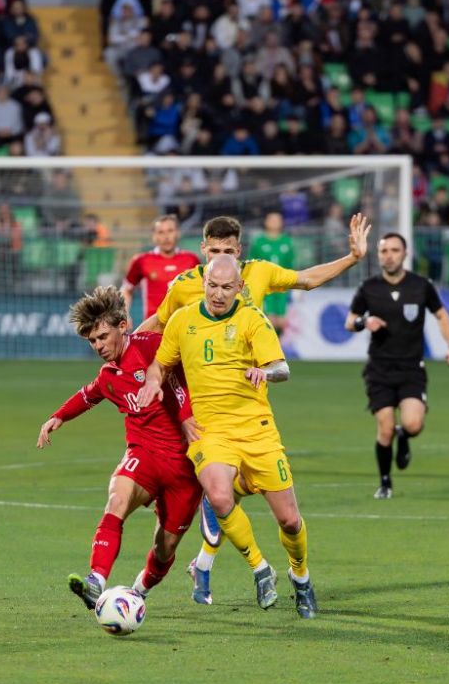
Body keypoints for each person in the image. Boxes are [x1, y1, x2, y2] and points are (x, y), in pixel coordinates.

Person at [137, 212, 370, 604]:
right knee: (213, 495)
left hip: (250, 398)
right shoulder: (184, 289)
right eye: (215, 252)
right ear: (203, 251)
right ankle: (240, 568)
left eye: (229, 252)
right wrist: (122, 353)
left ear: (239, 254)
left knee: (253, 506)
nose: (221, 260)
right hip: (200, 406)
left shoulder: (257, 277)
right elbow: (157, 327)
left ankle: (206, 564)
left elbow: (306, 279)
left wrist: (352, 258)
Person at [136, 255, 317, 618]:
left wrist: (265, 373)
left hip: (256, 429)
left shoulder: (252, 318)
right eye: (213, 286)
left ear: (240, 288)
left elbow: (282, 367)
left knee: (289, 521)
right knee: (219, 496)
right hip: (211, 431)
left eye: (226, 287)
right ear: (204, 283)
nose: (218, 294)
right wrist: (153, 382)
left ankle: (300, 577)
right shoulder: (183, 320)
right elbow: (160, 363)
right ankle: (260, 568)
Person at [36, 286, 202, 609]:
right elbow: (88, 395)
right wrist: (58, 417)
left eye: (102, 336)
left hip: (183, 464)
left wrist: (185, 417)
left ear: (122, 326)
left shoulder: (152, 345)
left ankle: (139, 591)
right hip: (144, 454)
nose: (98, 346)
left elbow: (180, 376)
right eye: (92, 341)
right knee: (117, 499)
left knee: (165, 547)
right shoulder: (109, 375)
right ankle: (96, 580)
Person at [345, 233, 449, 499]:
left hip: (411, 369)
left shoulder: (421, 286)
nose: (389, 256)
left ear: (405, 254)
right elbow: (349, 321)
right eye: (384, 251)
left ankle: (404, 436)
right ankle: (385, 483)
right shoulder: (369, 288)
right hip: (379, 370)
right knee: (385, 427)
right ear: (378, 255)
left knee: (413, 425)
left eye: (394, 250)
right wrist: (365, 322)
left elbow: (441, 315)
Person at [120, 214, 200, 319]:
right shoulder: (142, 260)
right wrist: (124, 314)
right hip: (153, 325)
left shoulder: (191, 259)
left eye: (170, 231)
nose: (166, 236)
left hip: (183, 323)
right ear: (154, 236)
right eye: (161, 232)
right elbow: (126, 289)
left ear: (178, 233)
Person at [248, 211, 295, 332]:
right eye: (271, 219)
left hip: (282, 287)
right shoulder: (259, 242)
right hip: (265, 287)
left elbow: (291, 265)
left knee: (281, 322)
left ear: (282, 223)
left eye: (277, 220)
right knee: (267, 321)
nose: (274, 222)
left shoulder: (287, 242)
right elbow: (251, 265)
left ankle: (278, 343)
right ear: (265, 222)